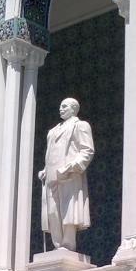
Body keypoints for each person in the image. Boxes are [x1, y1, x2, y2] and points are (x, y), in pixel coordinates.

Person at [39, 97, 94, 252]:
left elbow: (87, 150)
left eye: (64, 106)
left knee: (69, 210)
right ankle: (57, 245)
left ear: (74, 109)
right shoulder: (53, 131)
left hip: (69, 174)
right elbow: (51, 154)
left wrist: (72, 166)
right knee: (52, 212)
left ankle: (68, 244)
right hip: (51, 176)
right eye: (60, 106)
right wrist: (45, 169)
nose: (61, 109)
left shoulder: (80, 126)